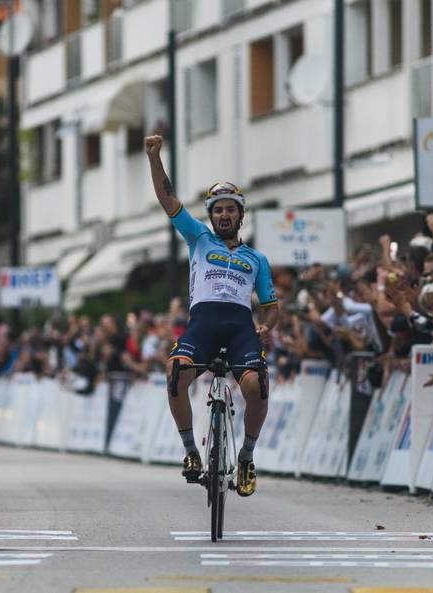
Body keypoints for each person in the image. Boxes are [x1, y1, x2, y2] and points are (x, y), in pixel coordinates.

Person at [145, 134, 279, 497]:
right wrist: (155, 158)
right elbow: (168, 200)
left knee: (258, 386)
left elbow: (271, 305)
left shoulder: (257, 258)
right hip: (202, 327)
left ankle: (246, 457)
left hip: (240, 330)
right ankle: (191, 451)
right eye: (218, 210)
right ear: (211, 215)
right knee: (175, 373)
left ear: (240, 215)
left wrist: (267, 325)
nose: (224, 215)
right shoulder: (199, 239)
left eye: (230, 209)